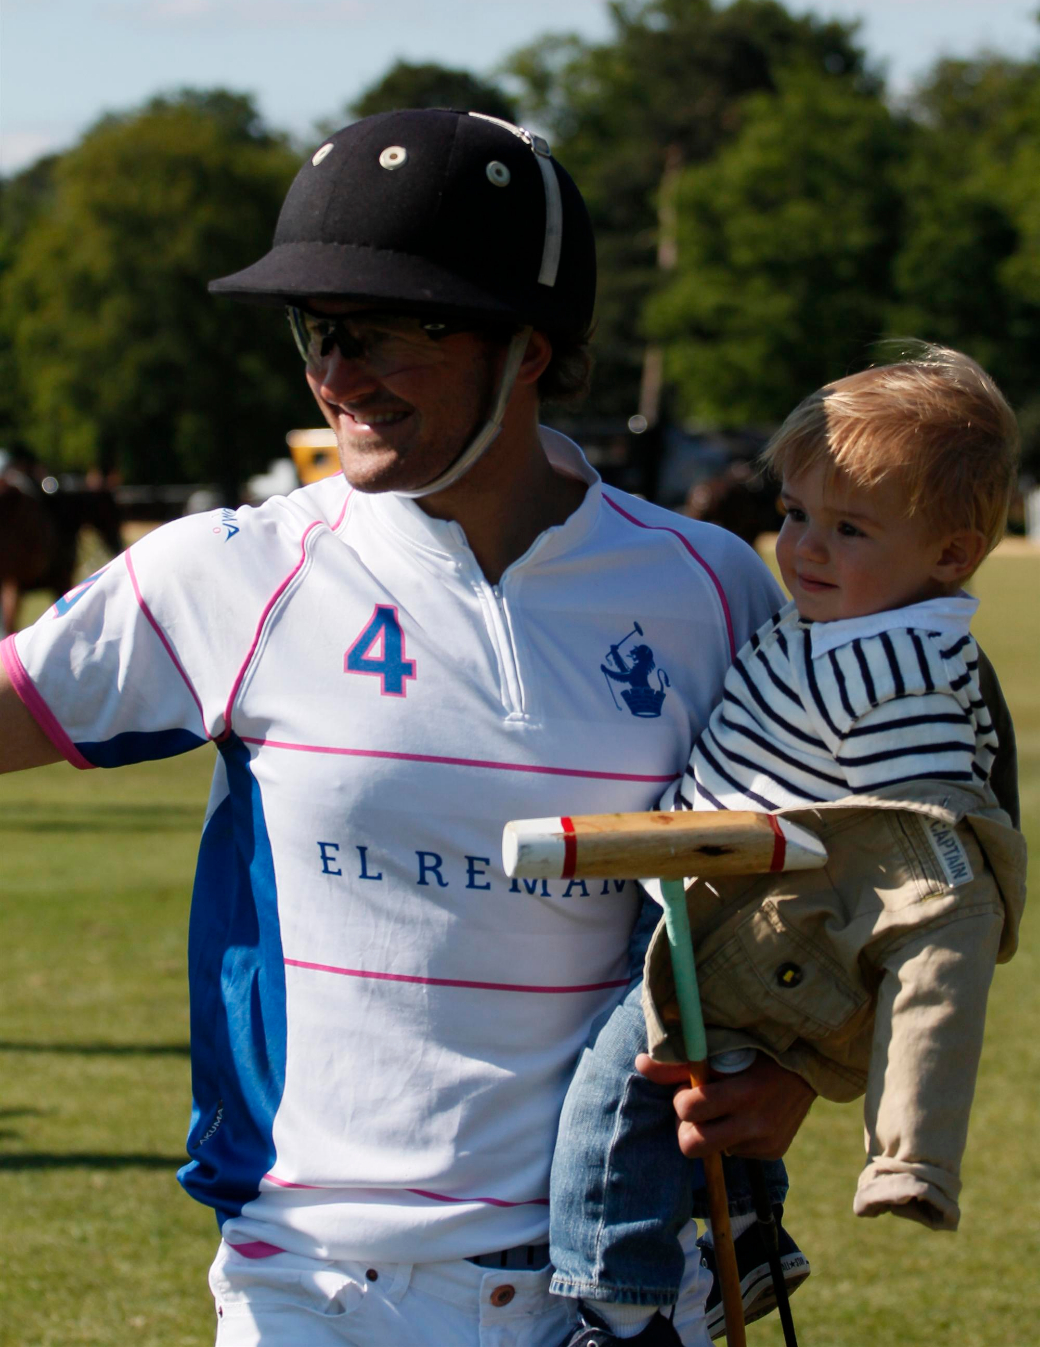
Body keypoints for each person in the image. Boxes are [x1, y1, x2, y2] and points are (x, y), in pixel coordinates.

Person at [0, 108, 814, 1347]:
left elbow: (820, 882)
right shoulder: (232, 570)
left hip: (623, 1282)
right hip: (314, 1288)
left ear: (528, 346)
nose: (334, 373)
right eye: (314, 332)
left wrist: (790, 1076)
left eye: (381, 330)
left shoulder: (710, 589)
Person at [549, 347, 1026, 1344]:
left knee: (618, 1090)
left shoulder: (895, 672)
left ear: (947, 554)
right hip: (723, 900)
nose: (802, 547)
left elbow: (925, 861)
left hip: (765, 924)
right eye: (797, 513)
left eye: (847, 529)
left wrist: (907, 1145)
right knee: (702, 1097)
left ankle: (618, 1299)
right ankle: (751, 1235)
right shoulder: (839, 622)